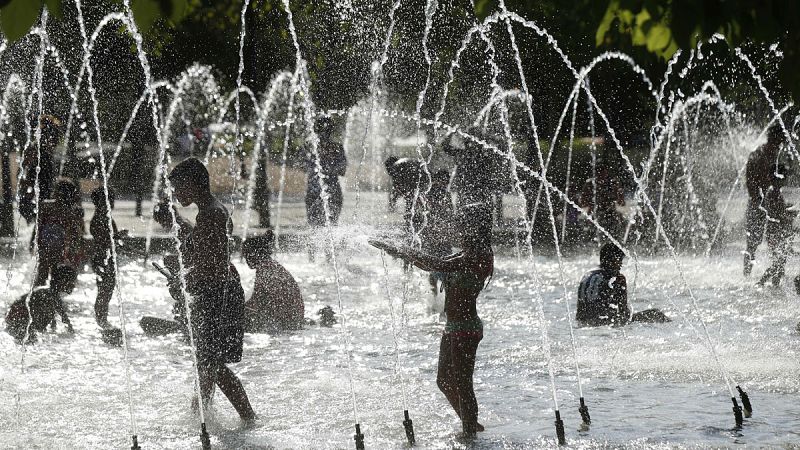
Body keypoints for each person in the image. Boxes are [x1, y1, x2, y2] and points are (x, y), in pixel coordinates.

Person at [370, 203, 494, 436]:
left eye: (463, 223)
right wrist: (396, 251)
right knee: (444, 380)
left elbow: (439, 265)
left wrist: (401, 248)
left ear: (475, 227)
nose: (458, 226)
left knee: (463, 384)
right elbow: (430, 264)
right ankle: (471, 423)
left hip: (466, 329)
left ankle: (469, 432)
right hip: (453, 327)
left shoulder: (481, 255)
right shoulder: (464, 254)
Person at [167, 157, 255, 421]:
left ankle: (248, 417)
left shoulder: (209, 215)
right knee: (206, 363)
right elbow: (213, 260)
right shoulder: (212, 210)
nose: (176, 193)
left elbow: (214, 269)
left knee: (212, 364)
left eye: (178, 187)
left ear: (193, 184)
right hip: (219, 292)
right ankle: (200, 413)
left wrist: (183, 280)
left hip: (219, 295)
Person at [577, 243, 670, 326]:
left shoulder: (587, 276)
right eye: (618, 261)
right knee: (656, 314)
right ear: (609, 261)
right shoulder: (616, 279)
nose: (620, 265)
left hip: (583, 322)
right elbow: (624, 313)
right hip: (604, 322)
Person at [242, 231, 304, 332]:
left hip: (285, 322)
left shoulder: (265, 269)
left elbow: (256, 302)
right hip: (294, 318)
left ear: (254, 253)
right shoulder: (271, 266)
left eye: (246, 255)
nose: (246, 259)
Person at [744, 124, 784, 276]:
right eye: (780, 139)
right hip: (760, 202)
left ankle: (776, 276)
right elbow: (750, 180)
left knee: (773, 241)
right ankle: (748, 276)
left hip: (770, 202)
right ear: (774, 137)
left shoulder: (775, 154)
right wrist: (758, 200)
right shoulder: (759, 154)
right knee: (755, 242)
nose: (782, 143)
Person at [5, 264, 76, 343]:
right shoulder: (48, 296)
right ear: (63, 281)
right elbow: (68, 326)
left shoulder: (50, 295)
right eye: (72, 281)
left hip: (14, 318)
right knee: (32, 340)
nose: (74, 285)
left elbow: (66, 323)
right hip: (18, 319)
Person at [33, 179, 85, 288]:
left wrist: (33, 240)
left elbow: (38, 226)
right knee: (54, 274)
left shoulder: (47, 207)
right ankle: (50, 294)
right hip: (59, 247)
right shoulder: (70, 211)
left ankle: (37, 295)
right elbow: (76, 233)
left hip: (48, 245)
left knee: (43, 272)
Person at [89, 188, 127, 328]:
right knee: (104, 291)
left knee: (106, 290)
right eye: (109, 200)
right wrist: (118, 236)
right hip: (102, 258)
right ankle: (101, 320)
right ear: (100, 202)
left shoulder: (104, 217)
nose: (112, 203)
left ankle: (102, 319)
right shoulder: (101, 218)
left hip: (105, 258)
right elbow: (104, 240)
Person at [757, 164, 796, 287]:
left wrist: (788, 210)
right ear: (778, 178)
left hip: (775, 231)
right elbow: (777, 214)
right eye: (784, 177)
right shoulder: (773, 192)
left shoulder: (774, 190)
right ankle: (761, 282)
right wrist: (790, 215)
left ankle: (775, 286)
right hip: (775, 232)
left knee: (780, 262)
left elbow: (778, 211)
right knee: (778, 263)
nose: (786, 180)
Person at [19, 115, 61, 225]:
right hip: (43, 170)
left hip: (41, 170)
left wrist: (23, 171)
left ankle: (35, 224)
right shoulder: (48, 135)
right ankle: (37, 223)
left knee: (33, 201)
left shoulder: (44, 136)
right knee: (41, 200)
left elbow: (28, 157)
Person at [305, 117, 347, 227]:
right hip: (320, 191)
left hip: (327, 191)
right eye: (322, 130)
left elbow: (343, 170)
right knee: (323, 226)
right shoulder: (310, 148)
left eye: (327, 130)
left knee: (326, 226)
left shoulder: (336, 148)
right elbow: (342, 170)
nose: (324, 134)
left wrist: (325, 170)